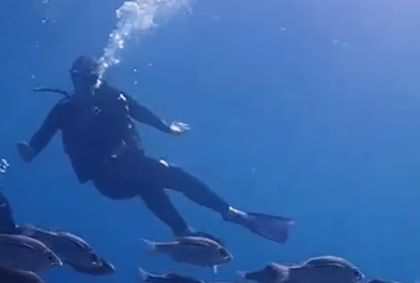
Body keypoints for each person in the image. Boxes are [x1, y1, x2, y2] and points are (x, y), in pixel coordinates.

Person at [17, 56, 293, 243]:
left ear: (97, 78)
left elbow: (140, 112)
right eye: (78, 80)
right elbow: (44, 132)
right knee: (160, 174)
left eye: (89, 80)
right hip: (106, 179)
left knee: (151, 182)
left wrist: (166, 128)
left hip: (129, 168)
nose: (85, 87)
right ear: (72, 79)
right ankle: (226, 215)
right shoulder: (65, 109)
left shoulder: (114, 96)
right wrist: (31, 150)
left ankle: (187, 229)